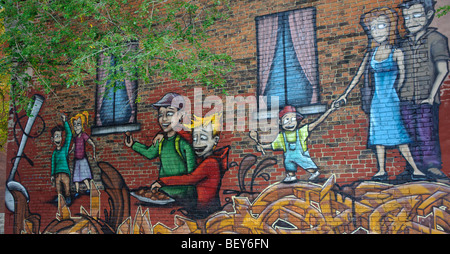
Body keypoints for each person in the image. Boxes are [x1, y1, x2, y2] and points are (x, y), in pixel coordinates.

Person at [336, 7, 427, 181]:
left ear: (390, 28)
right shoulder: (371, 54)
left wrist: (394, 93)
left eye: (382, 26)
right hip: (377, 101)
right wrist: (344, 95)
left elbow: (403, 77)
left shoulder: (396, 52)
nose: (377, 31)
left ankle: (416, 169)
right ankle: (381, 170)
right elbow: (358, 76)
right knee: (377, 134)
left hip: (391, 99)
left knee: (398, 133)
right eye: (373, 28)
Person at [397, 0, 450, 182]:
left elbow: (443, 70)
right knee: (409, 134)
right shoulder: (402, 44)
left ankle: (432, 166)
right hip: (405, 97)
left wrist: (431, 95)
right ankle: (413, 167)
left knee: (426, 132)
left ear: (429, 15)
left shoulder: (436, 40)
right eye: (407, 17)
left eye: (417, 15)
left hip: (425, 97)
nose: (411, 21)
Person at [152, 113, 229, 218]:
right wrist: (165, 133)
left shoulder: (211, 163)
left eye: (203, 137)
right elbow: (188, 137)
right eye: (195, 139)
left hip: (207, 212)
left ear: (215, 140)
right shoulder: (204, 157)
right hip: (201, 209)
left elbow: (191, 179)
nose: (197, 143)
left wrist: (162, 181)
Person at [124, 92, 197, 201]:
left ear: (181, 116)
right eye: (160, 114)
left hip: (182, 196)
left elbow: (193, 176)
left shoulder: (183, 143)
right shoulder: (161, 140)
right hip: (163, 194)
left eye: (169, 113)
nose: (163, 119)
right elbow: (150, 153)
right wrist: (133, 144)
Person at [250, 102, 338, 183]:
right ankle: (291, 175)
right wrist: (262, 146)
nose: (290, 122)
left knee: (303, 161)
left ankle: (314, 172)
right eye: (287, 119)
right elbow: (273, 145)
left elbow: (315, 123)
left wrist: (329, 110)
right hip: (289, 157)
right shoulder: (281, 136)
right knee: (288, 162)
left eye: (293, 119)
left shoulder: (301, 132)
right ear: (281, 122)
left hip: (301, 155)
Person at [70, 111, 96, 198]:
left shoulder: (84, 135)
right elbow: (73, 147)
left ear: (82, 125)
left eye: (79, 124)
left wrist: (94, 153)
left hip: (83, 159)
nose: (77, 127)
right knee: (76, 176)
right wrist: (69, 152)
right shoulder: (75, 138)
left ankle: (88, 188)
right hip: (77, 159)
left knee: (84, 175)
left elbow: (92, 143)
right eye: (75, 125)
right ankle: (77, 191)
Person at [50, 113, 72, 205]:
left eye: (59, 136)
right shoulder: (55, 153)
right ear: (52, 139)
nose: (58, 138)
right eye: (56, 136)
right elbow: (53, 164)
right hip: (57, 175)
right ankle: (59, 198)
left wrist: (65, 121)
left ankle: (68, 197)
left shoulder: (65, 149)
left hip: (65, 173)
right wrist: (52, 175)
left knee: (67, 188)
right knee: (59, 190)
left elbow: (69, 135)